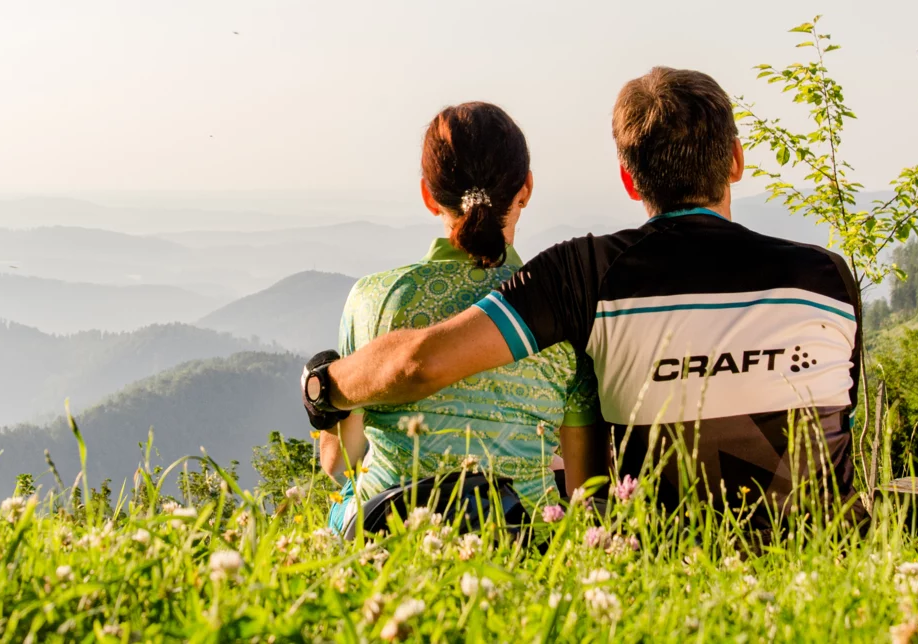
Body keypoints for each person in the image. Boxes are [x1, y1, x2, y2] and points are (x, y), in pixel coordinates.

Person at [302, 68, 862, 525]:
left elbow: (419, 364)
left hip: (665, 560)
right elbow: (842, 423)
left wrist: (323, 384)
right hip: (826, 564)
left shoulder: (583, 273)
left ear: (629, 181)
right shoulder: (830, 277)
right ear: (737, 161)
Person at [314, 101, 601, 536]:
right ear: (525, 188)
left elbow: (339, 467)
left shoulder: (374, 299)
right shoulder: (563, 307)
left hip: (388, 536)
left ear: (429, 195)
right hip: (523, 541)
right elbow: (585, 487)